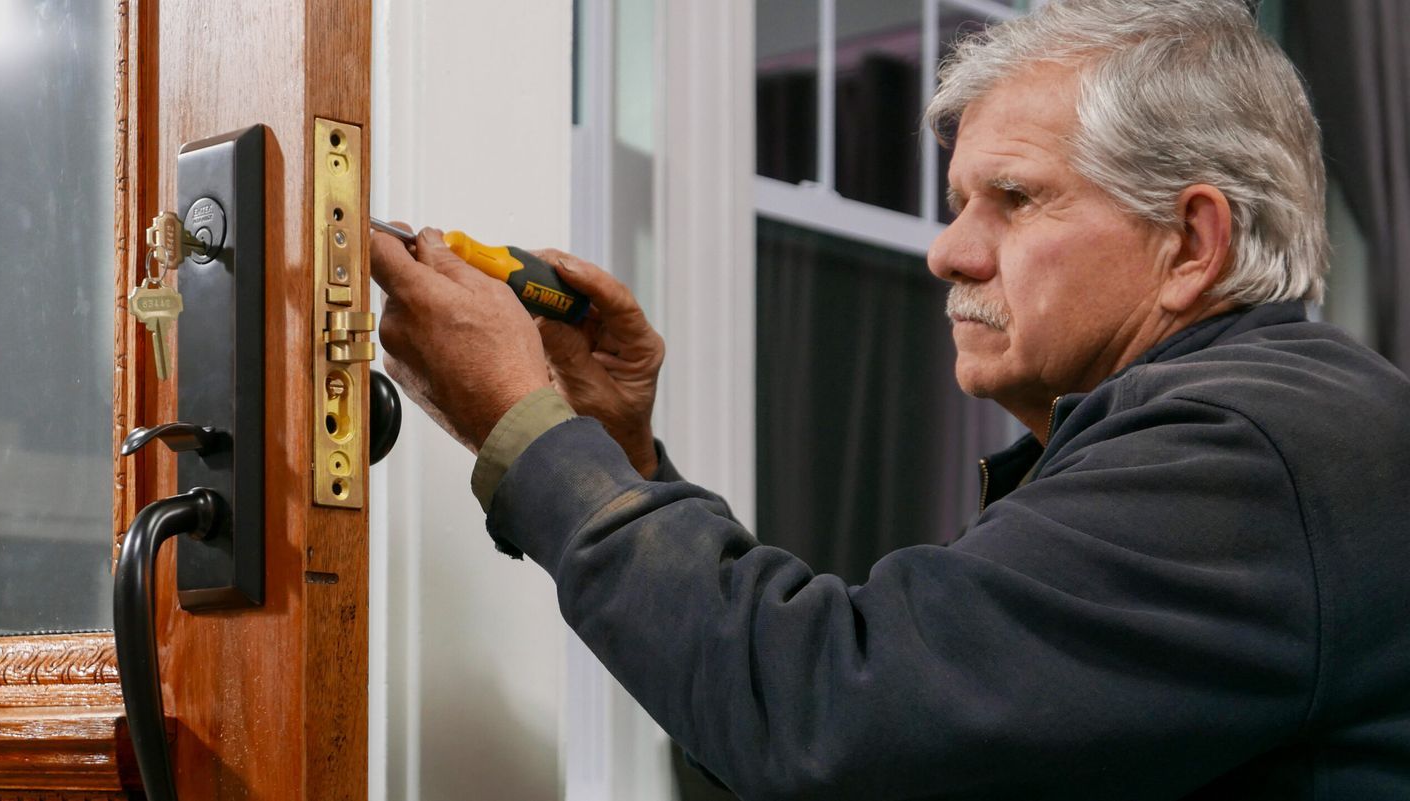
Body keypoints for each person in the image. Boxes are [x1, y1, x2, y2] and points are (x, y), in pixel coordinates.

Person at [369, 0, 1410, 797]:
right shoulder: (1263, 427)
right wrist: (618, 452)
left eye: (1011, 199)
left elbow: (833, 726)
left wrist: (522, 421)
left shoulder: (1247, 449)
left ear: (1189, 242)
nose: (946, 252)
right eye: (958, 203)